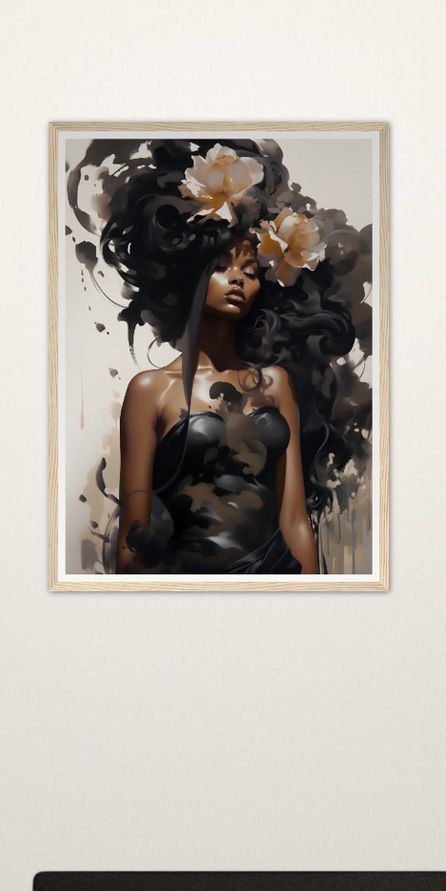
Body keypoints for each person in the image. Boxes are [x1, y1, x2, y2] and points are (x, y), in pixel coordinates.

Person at [73, 138, 367, 576]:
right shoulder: (150, 390)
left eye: (250, 272)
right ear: (191, 271)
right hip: (185, 585)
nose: (239, 281)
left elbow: (293, 518)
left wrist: (312, 601)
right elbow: (136, 529)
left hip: (274, 575)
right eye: (222, 267)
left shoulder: (274, 384)